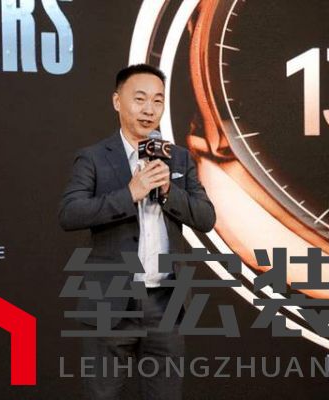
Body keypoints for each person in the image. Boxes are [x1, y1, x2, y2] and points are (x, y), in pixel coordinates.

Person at [58, 63, 216, 400]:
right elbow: (70, 213)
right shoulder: (94, 158)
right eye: (140, 99)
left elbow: (206, 218)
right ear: (117, 101)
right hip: (110, 302)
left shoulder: (178, 159)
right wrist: (130, 193)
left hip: (166, 304)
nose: (149, 109)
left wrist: (169, 192)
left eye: (158, 101)